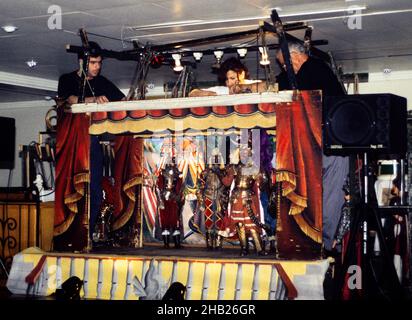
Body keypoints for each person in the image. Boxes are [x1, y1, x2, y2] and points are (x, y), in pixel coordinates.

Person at [275, 41, 349, 254]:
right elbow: (279, 85)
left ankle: (324, 244)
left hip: (332, 144)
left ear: (295, 57)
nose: (284, 69)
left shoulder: (315, 69)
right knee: (316, 195)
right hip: (321, 144)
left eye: (285, 64)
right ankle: (314, 241)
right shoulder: (302, 74)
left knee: (329, 195)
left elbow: (296, 93)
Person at [56, 41, 125, 248]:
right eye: (93, 62)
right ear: (82, 62)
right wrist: (94, 99)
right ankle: (69, 236)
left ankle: (87, 233)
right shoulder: (67, 79)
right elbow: (71, 100)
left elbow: (123, 100)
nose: (97, 66)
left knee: (95, 191)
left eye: (99, 62)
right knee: (72, 188)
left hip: (93, 141)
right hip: (72, 143)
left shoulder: (102, 81)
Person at [189, 57, 266, 97]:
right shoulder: (222, 90)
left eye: (232, 78)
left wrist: (242, 87)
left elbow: (267, 86)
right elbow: (192, 93)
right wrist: (210, 95)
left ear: (242, 74)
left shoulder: (253, 84)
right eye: (227, 79)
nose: (229, 83)